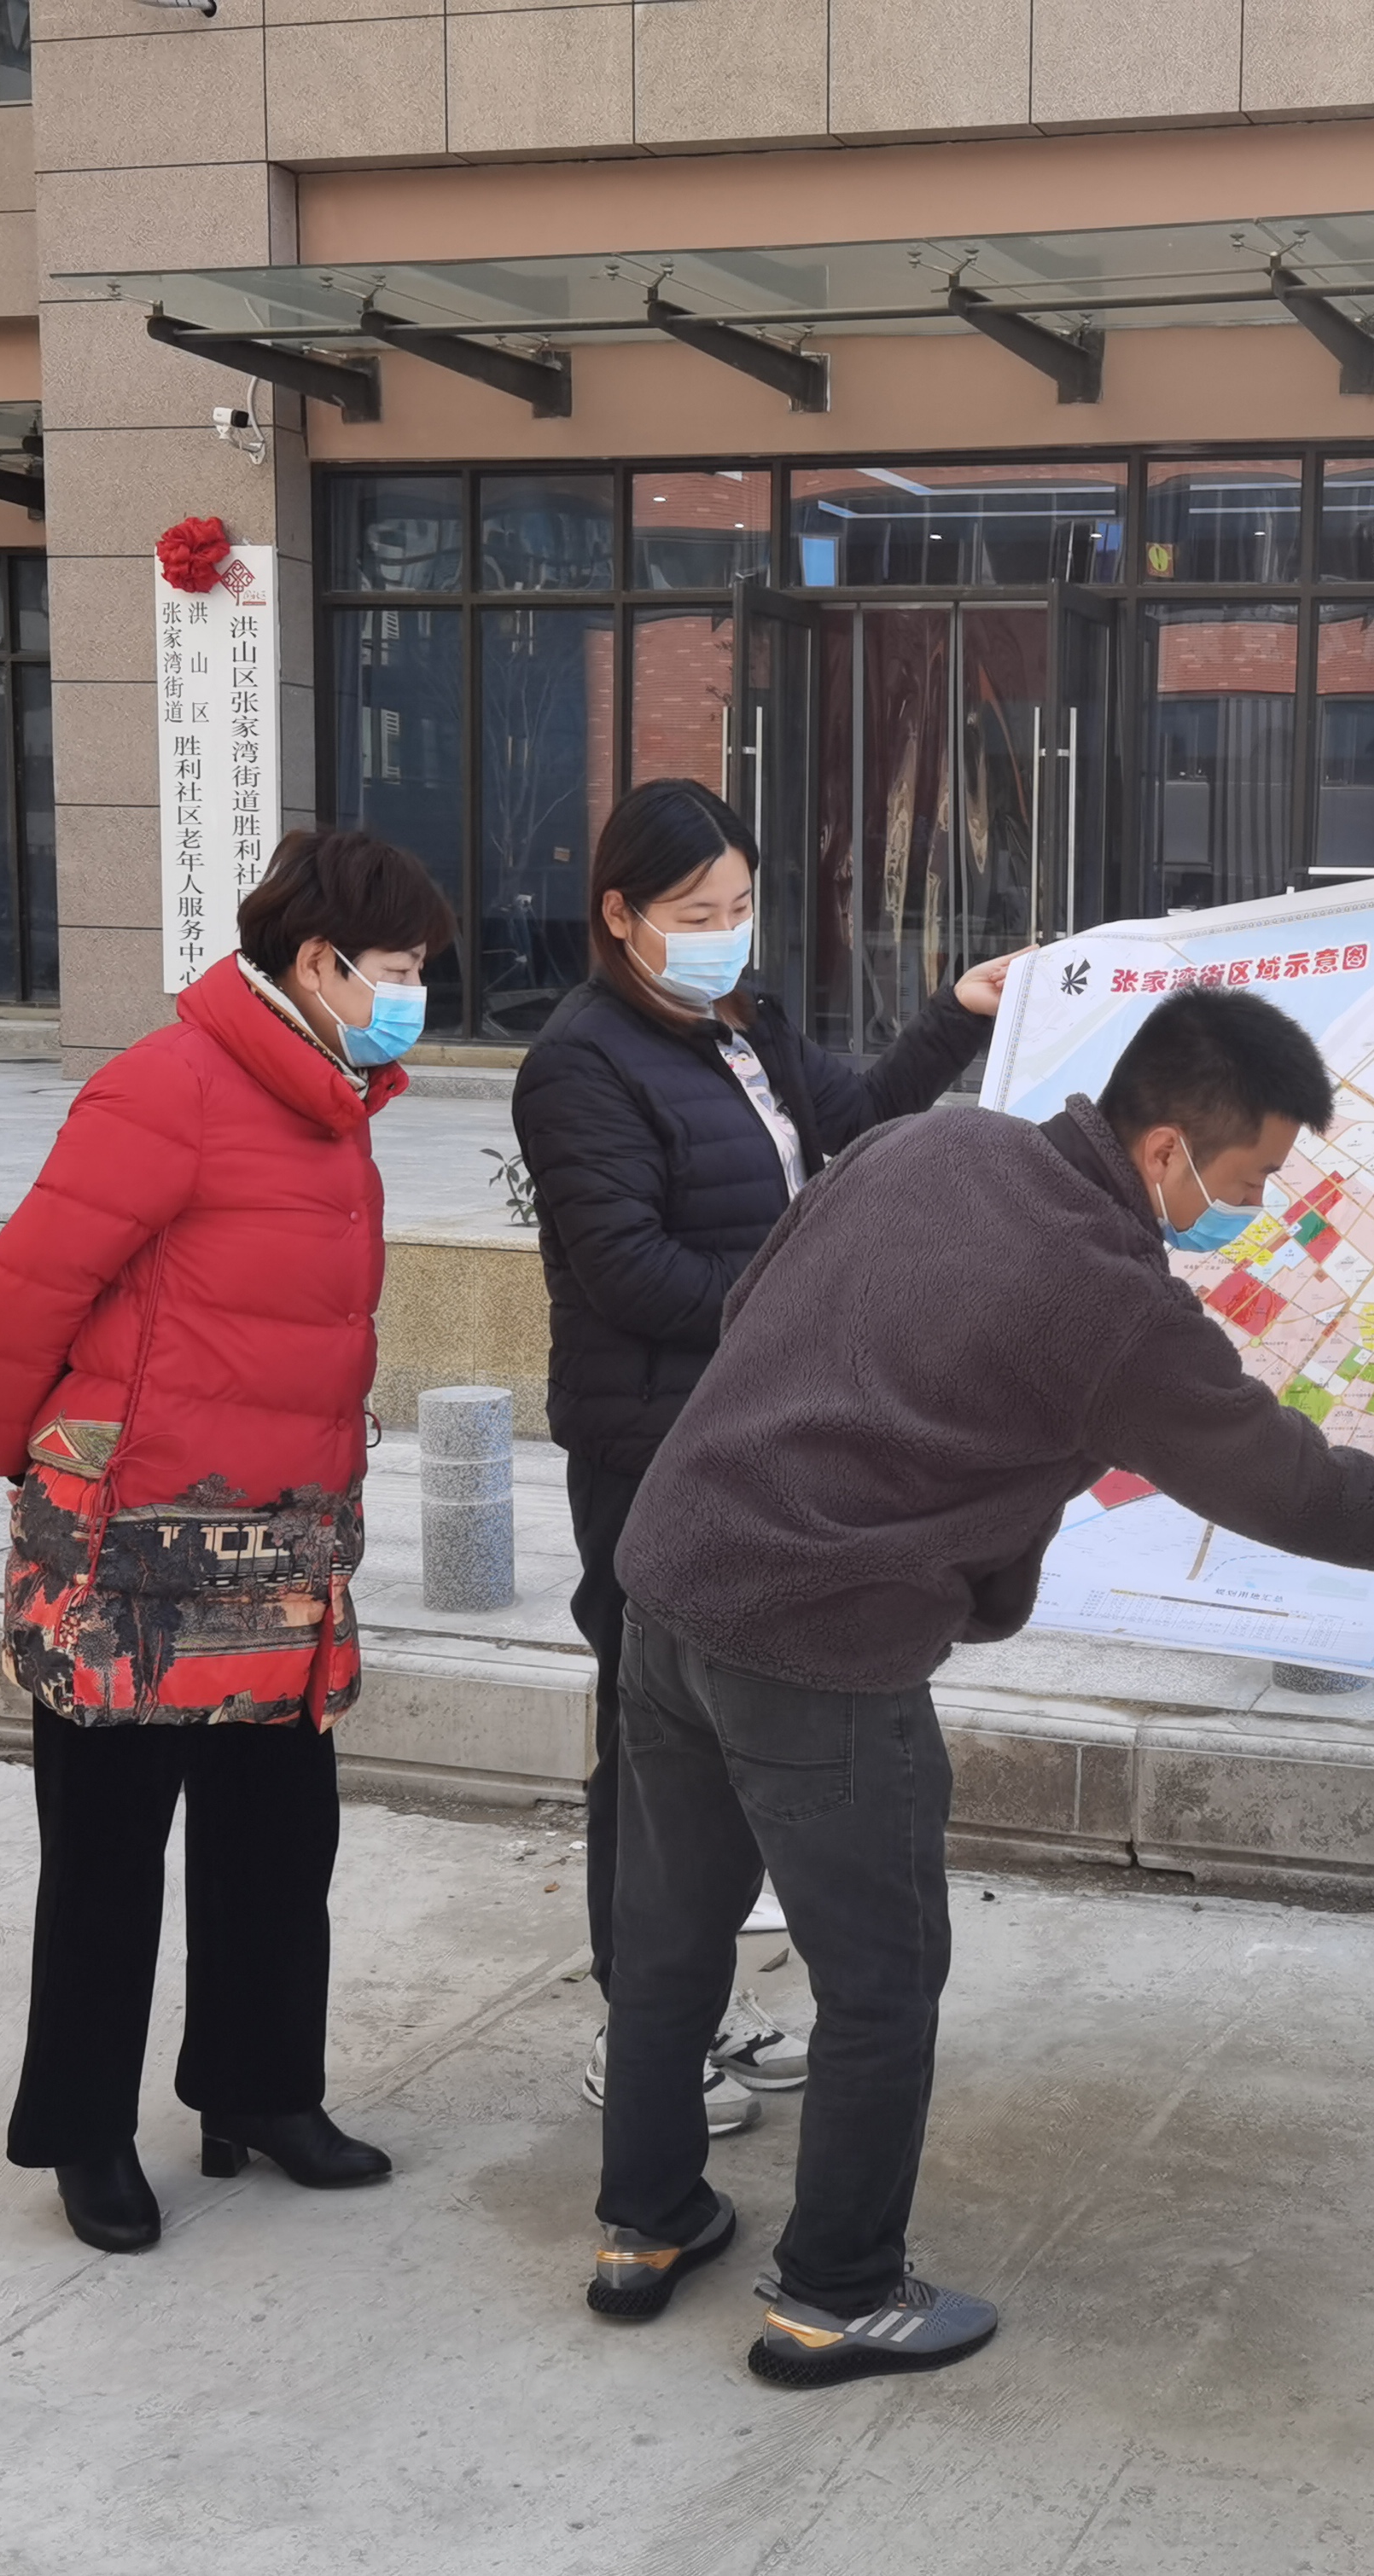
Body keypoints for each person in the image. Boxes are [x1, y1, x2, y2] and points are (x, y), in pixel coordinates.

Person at [582, 988, 1374, 2382]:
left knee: (671, 1934)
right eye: (1247, 1181)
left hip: (672, 1578)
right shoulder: (1114, 1304)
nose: (1250, 1210)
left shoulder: (928, 1142)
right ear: (1165, 1150)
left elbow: (750, 1303)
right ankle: (833, 2296)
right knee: (880, 1982)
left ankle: (645, 2225)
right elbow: (1303, 1491)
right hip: (821, 1647)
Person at [0, 829, 455, 2256]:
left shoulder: (335, 1100)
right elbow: (27, 1289)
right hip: (136, 1548)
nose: (413, 993)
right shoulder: (166, 1087)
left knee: (279, 1839)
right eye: (399, 967)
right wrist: (31, 1469)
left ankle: (260, 2091)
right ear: (319, 962)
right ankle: (85, 2130)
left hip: (286, 1540)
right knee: (108, 1854)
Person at [510, 777, 1010, 2142]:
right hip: (653, 1449)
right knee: (650, 1745)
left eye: (738, 904)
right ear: (620, 914)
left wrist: (956, 1015)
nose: (725, 930)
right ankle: (641, 2026)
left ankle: (697, 2003)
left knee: (732, 1745)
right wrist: (810, 1305)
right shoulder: (581, 1063)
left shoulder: (744, 1023)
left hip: (757, 1434)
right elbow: (628, 1269)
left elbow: (860, 1118)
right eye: (695, 912)